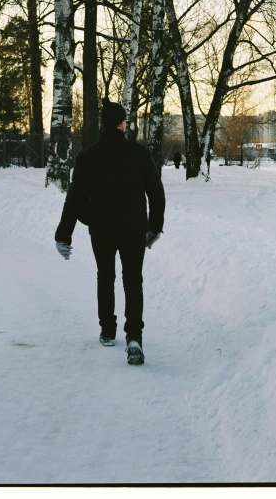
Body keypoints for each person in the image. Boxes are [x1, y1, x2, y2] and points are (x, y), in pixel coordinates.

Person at [54, 97, 165, 365]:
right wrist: (154, 228)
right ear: (121, 124)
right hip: (133, 229)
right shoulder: (139, 154)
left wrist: (63, 234)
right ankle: (134, 337)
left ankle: (107, 330)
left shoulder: (88, 156)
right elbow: (157, 194)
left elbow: (75, 197)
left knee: (105, 276)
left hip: (101, 229)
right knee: (132, 280)